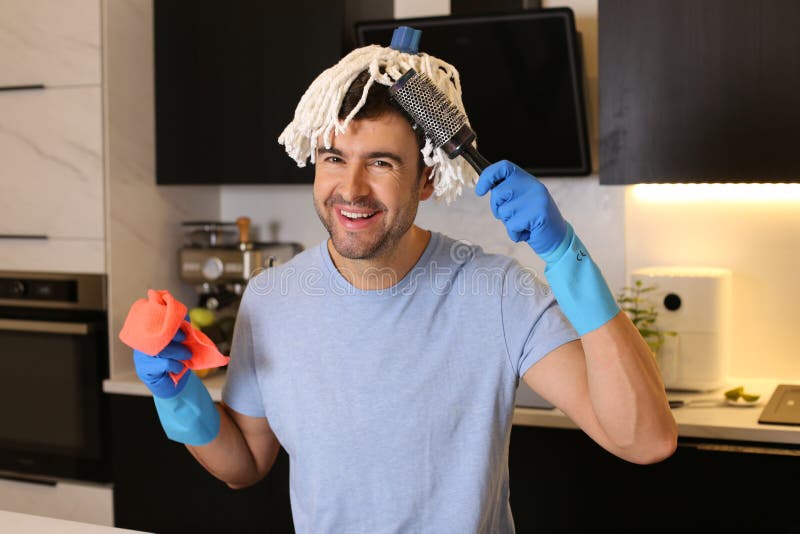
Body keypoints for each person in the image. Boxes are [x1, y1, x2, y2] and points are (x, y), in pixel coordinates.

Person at [132, 36, 677, 533]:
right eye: (333, 159)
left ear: (429, 179)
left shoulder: (498, 293)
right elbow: (245, 464)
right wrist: (178, 396)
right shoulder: (273, 299)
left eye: (382, 163)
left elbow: (645, 440)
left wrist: (566, 257)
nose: (351, 189)